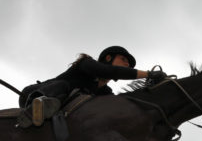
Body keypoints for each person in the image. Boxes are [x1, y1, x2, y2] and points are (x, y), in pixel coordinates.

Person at [18, 46, 166, 127]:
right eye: (123, 60)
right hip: (33, 94)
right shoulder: (87, 64)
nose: (127, 65)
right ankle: (36, 108)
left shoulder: (105, 92)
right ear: (108, 58)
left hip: (60, 114)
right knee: (63, 85)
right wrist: (149, 74)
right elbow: (111, 71)